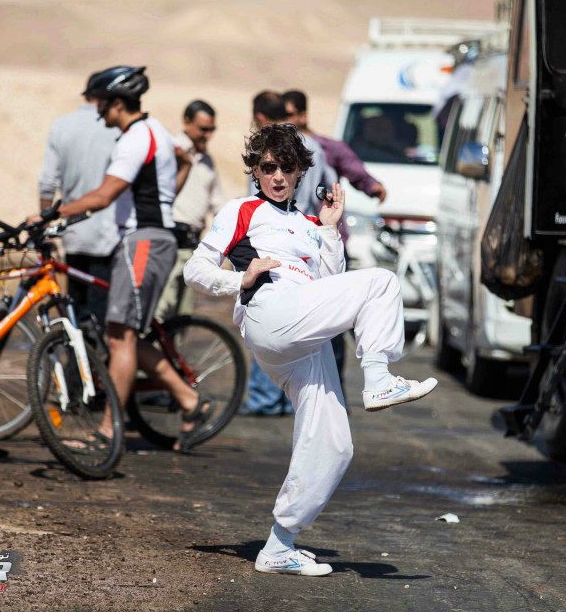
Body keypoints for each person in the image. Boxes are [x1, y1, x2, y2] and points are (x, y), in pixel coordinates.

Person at [184, 124, 437, 576]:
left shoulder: (307, 224)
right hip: (270, 314)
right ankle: (378, 379)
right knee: (381, 281)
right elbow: (195, 269)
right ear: (256, 171)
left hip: (304, 329)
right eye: (268, 167)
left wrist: (330, 230)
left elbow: (331, 285)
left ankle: (278, 546)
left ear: (301, 171)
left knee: (334, 445)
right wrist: (239, 278)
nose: (277, 176)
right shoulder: (241, 209)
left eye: (287, 167)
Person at [37, 65, 210, 450]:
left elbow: (103, 196)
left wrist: (50, 214)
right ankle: (188, 400)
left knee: (119, 337)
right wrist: (164, 199)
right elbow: (183, 160)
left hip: (143, 242)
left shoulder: (135, 139)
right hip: (146, 239)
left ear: (117, 104)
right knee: (121, 334)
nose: (98, 111)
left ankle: (108, 430)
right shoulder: (155, 130)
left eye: (101, 103)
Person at [283, 89, 389, 394]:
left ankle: (333, 387)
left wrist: (373, 187)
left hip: (326, 245)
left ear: (303, 115)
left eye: (289, 115)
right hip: (293, 246)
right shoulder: (277, 151)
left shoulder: (326, 149)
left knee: (333, 319)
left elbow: (357, 172)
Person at [240, 91, 337, 416]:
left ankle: (266, 398)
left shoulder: (264, 150)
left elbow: (254, 199)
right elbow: (329, 189)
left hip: (274, 237)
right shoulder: (314, 148)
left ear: (261, 117)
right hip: (308, 240)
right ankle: (292, 396)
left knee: (265, 314)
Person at [38, 73, 121, 326]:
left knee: (75, 313)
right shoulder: (116, 128)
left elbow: (47, 183)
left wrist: (46, 227)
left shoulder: (61, 125)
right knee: (100, 319)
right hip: (108, 237)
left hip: (72, 234)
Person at [154, 99, 225, 321]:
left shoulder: (207, 161)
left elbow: (217, 203)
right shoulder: (169, 152)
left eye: (211, 129)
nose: (208, 135)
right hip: (169, 242)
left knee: (183, 315)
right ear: (186, 122)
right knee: (161, 309)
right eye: (203, 129)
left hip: (193, 245)